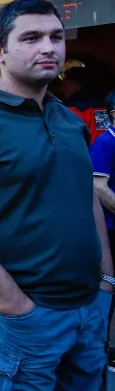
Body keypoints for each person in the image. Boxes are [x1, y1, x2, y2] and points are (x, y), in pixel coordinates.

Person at [0, 0, 114, 390]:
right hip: (19, 319)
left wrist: (106, 281)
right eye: (31, 38)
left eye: (56, 37)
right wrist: (11, 298)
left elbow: (88, 199)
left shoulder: (68, 121)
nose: (48, 47)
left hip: (87, 310)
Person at [89, 90, 115, 361]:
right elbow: (99, 188)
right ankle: (102, 349)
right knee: (108, 288)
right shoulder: (104, 144)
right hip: (110, 230)